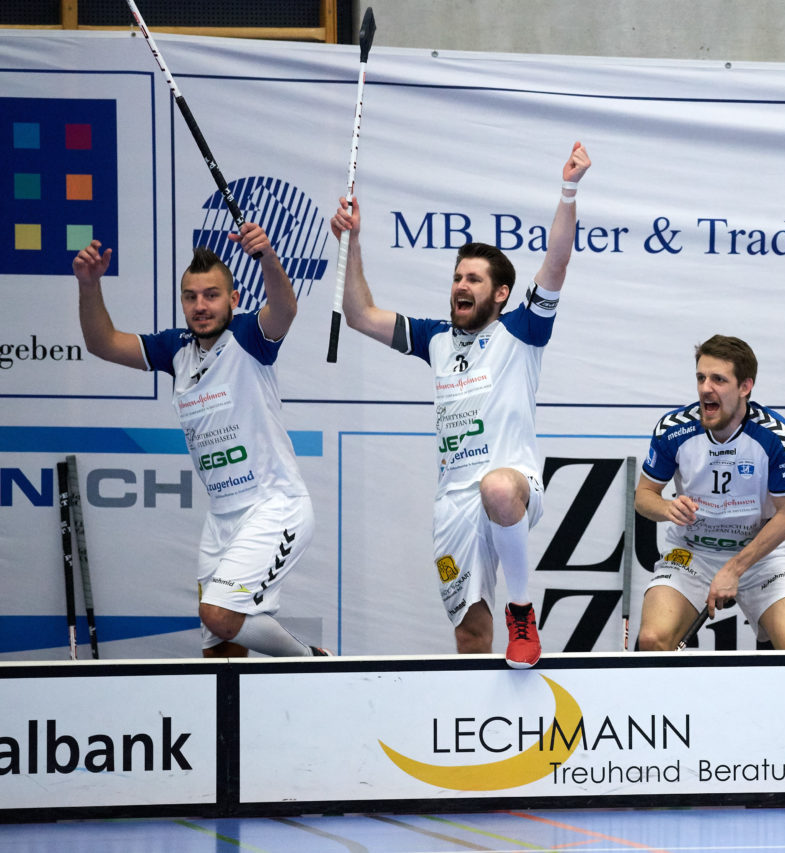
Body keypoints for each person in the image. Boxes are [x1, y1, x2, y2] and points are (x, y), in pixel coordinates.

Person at [328, 142, 591, 668]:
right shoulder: (435, 339)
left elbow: (557, 263)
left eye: (473, 279)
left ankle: (522, 610)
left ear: (500, 294)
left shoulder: (521, 331)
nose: (460, 286)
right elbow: (358, 314)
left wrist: (568, 190)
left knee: (496, 485)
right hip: (452, 501)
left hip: (511, 484)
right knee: (471, 634)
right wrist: (352, 241)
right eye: (456, 277)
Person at [74, 225, 326, 658]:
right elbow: (103, 343)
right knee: (220, 653)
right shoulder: (177, 350)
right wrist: (89, 285)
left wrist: (267, 257)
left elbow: (285, 308)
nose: (200, 306)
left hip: (274, 506)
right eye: (190, 296)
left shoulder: (249, 337)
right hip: (221, 521)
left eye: (211, 295)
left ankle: (312, 662)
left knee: (219, 615)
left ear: (234, 299)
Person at [634, 335, 785, 651]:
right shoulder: (673, 429)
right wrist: (666, 508)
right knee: (652, 640)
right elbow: (644, 496)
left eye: (718, 379)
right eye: (701, 378)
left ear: (745, 387)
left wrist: (734, 568)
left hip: (761, 556)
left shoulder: (775, 435)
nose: (705, 388)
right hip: (692, 553)